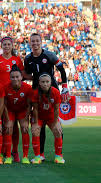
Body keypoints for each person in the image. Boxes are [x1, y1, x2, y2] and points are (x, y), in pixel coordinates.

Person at [23, 33, 69, 162]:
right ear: (30, 43)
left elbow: (62, 70)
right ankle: (40, 154)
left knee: (56, 122)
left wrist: (64, 86)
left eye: (37, 41)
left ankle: (59, 155)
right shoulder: (28, 58)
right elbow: (27, 73)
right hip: (37, 90)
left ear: (41, 42)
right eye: (33, 41)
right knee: (39, 124)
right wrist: (34, 78)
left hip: (52, 88)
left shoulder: (49, 55)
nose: (35, 43)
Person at [0, 36, 24, 162]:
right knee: (4, 125)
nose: (7, 46)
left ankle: (14, 151)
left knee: (14, 127)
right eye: (5, 44)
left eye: (9, 44)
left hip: (14, 96)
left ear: (12, 46)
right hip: (0, 96)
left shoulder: (17, 60)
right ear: (1, 46)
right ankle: (3, 151)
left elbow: (22, 77)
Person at [31, 73, 65, 164]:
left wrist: (55, 122)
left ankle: (58, 156)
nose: (45, 84)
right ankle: (37, 157)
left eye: (47, 82)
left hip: (51, 116)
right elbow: (35, 109)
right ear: (39, 83)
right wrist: (35, 124)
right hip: (39, 117)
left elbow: (57, 109)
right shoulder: (35, 92)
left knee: (58, 131)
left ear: (50, 83)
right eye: (43, 82)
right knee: (35, 131)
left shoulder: (56, 92)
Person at [2, 65, 32, 164]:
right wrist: (7, 118)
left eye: (17, 77)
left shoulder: (27, 88)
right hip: (10, 111)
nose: (15, 79)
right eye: (13, 77)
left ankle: (25, 156)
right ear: (10, 78)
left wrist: (26, 118)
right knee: (8, 127)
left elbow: (29, 105)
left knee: (24, 127)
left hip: (22, 111)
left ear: (21, 77)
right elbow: (4, 105)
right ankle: (8, 156)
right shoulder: (6, 87)